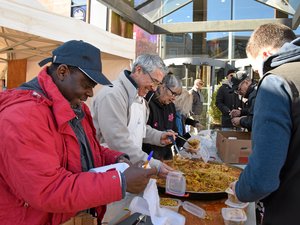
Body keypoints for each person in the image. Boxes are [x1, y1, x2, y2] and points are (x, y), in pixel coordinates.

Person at [0, 40, 158, 225]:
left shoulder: (75, 107)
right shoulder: (23, 116)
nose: (90, 93)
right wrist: (119, 182)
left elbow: (89, 151)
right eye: (87, 84)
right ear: (62, 72)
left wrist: (117, 160)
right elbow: (49, 189)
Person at [230, 23, 299, 225]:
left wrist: (240, 188)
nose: (258, 74)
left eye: (255, 68)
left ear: (266, 54)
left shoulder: (276, 81)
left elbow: (261, 179)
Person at [91, 54, 175, 176]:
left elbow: (139, 128)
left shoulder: (140, 99)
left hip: (129, 168)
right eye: (154, 81)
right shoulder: (113, 95)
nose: (154, 88)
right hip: (108, 170)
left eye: (158, 84)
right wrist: (153, 164)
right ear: (138, 70)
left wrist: (159, 136)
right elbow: (118, 141)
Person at [143, 73, 182, 160]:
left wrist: (186, 143)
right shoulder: (147, 102)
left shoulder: (171, 106)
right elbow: (142, 132)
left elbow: (175, 131)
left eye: (176, 95)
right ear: (162, 87)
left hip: (166, 155)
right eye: (173, 93)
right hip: (148, 156)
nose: (174, 98)